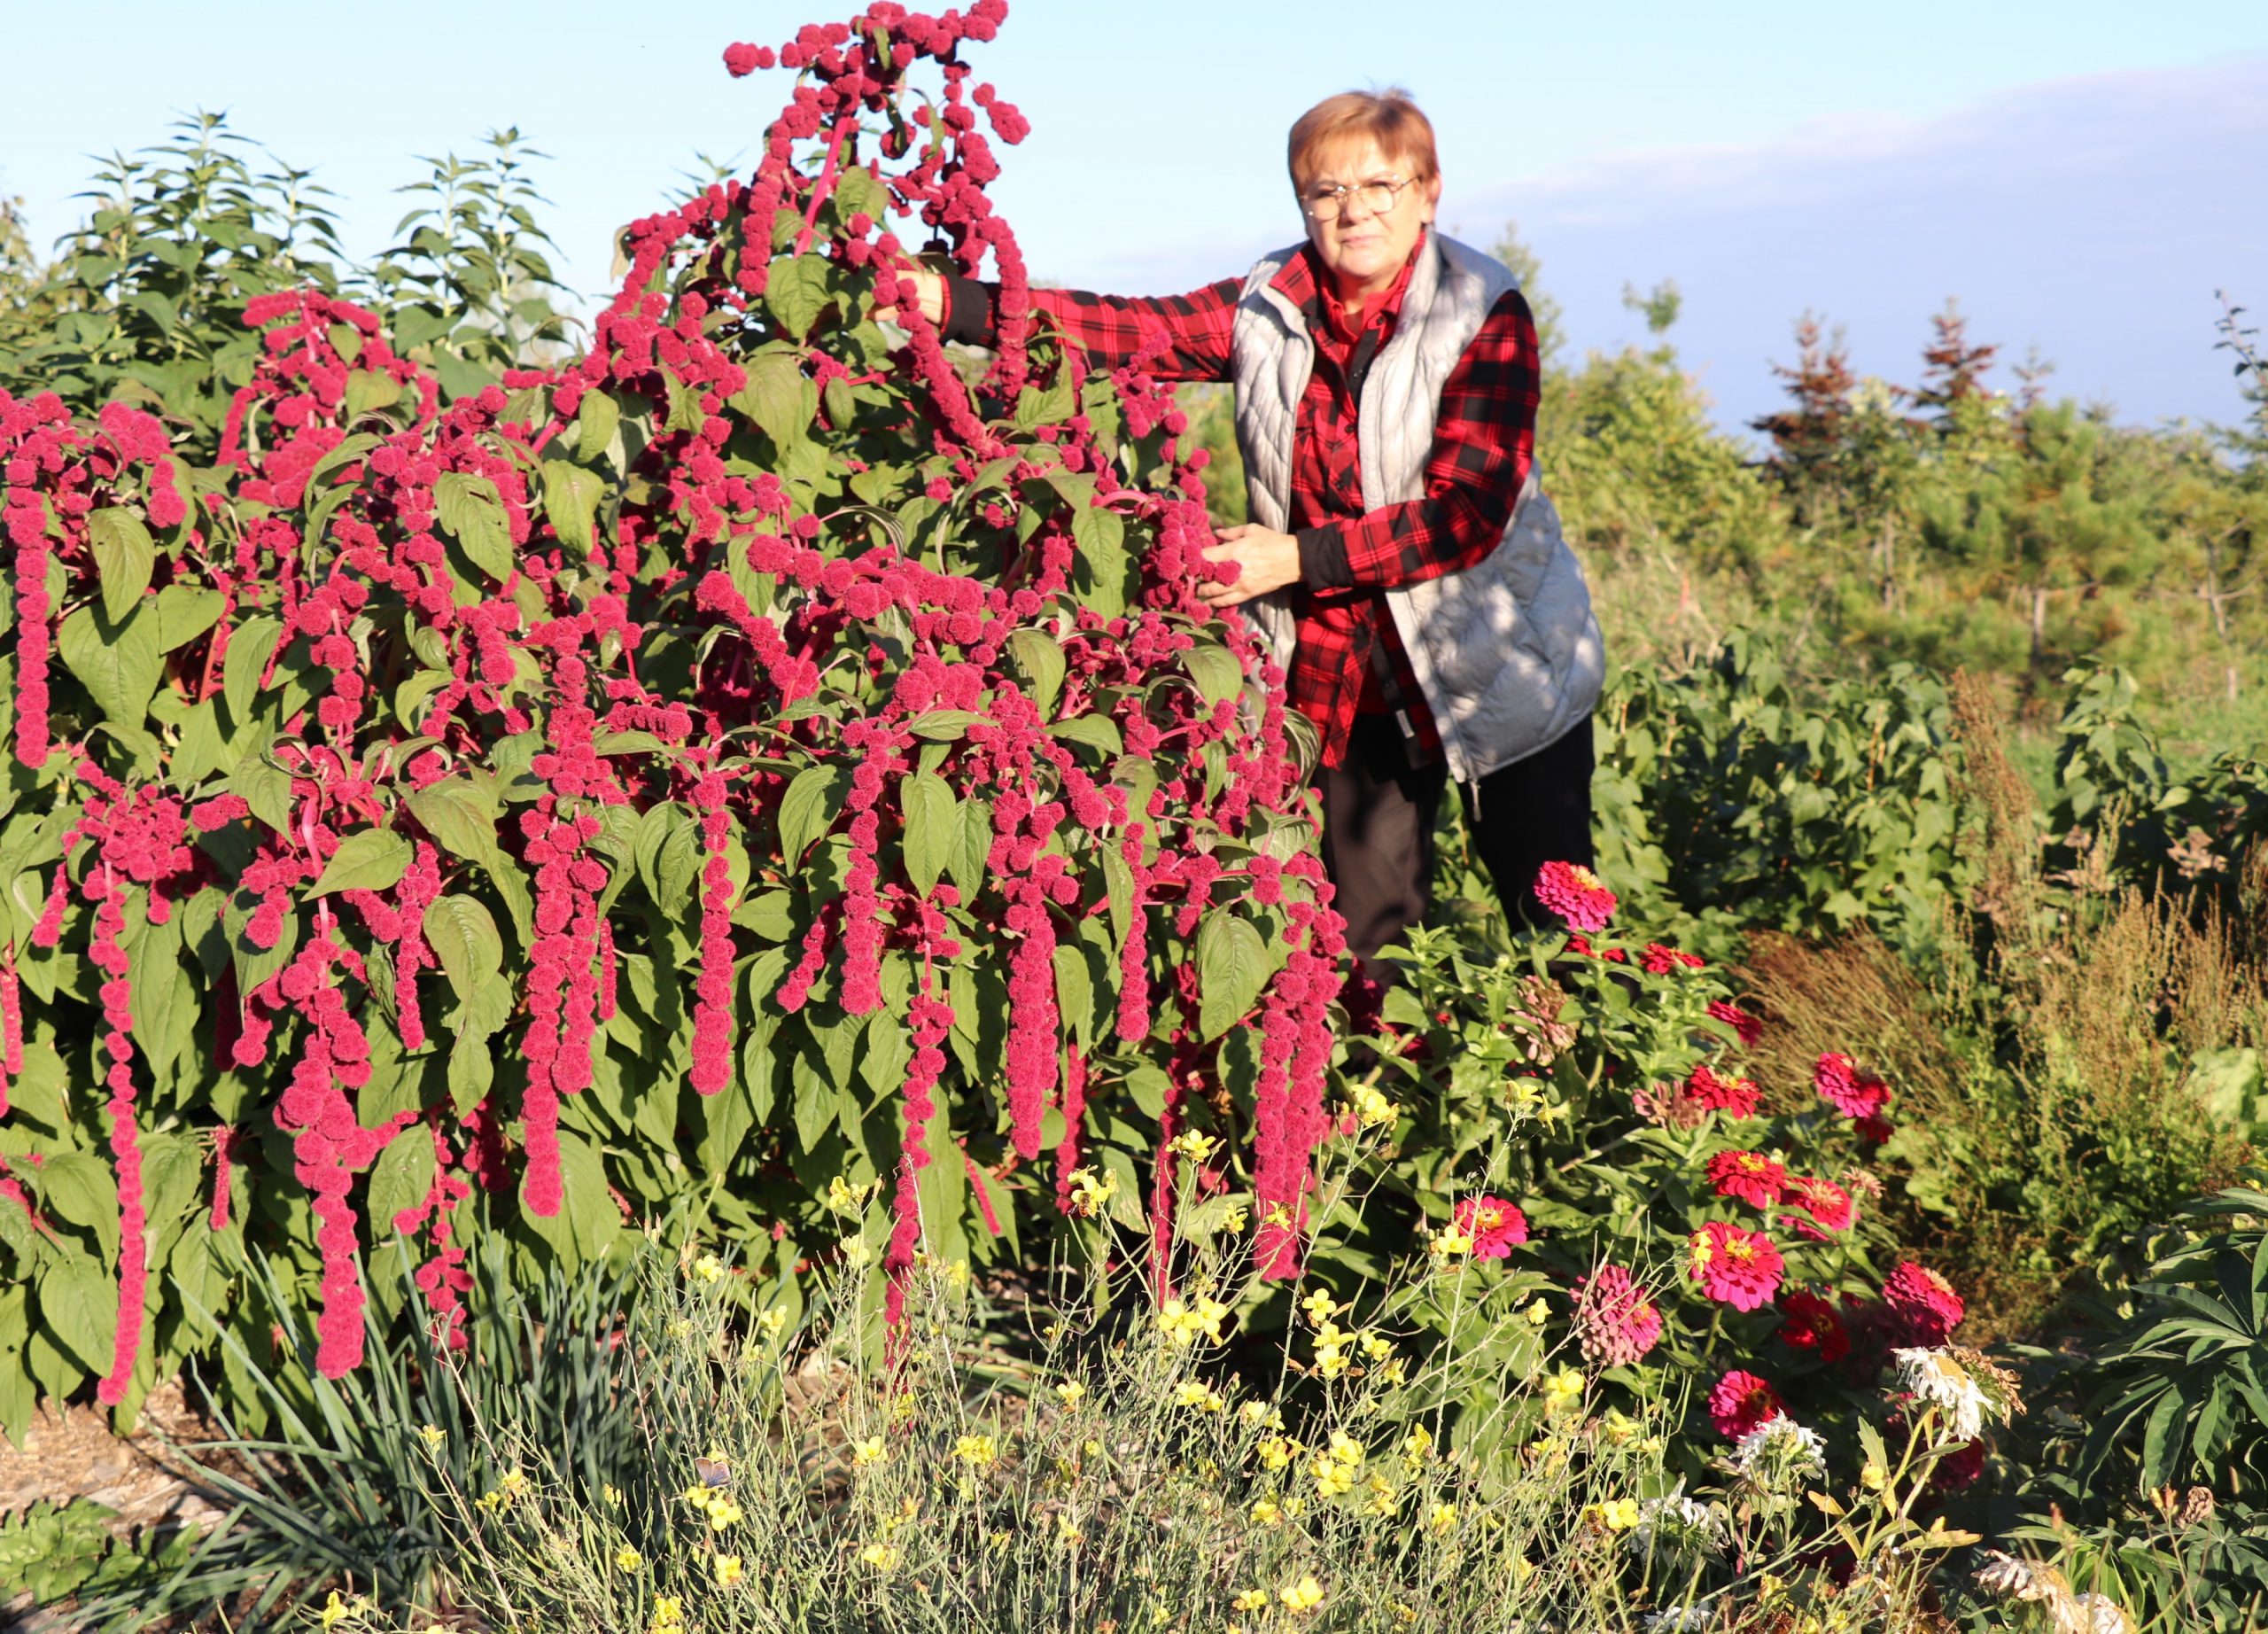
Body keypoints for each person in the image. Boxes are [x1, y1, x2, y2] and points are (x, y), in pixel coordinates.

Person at [893, 89, 1604, 985]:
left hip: (1499, 675)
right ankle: (1384, 1116)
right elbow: (1129, 329)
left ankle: (1601, 1106)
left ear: (1427, 192)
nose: (1352, 211)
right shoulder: (1271, 304)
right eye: (1324, 191)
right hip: (1349, 688)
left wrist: (1292, 559)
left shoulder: (1478, 308)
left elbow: (1466, 514)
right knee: (1364, 956)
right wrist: (951, 302)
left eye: (1379, 186)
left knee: (1563, 935)